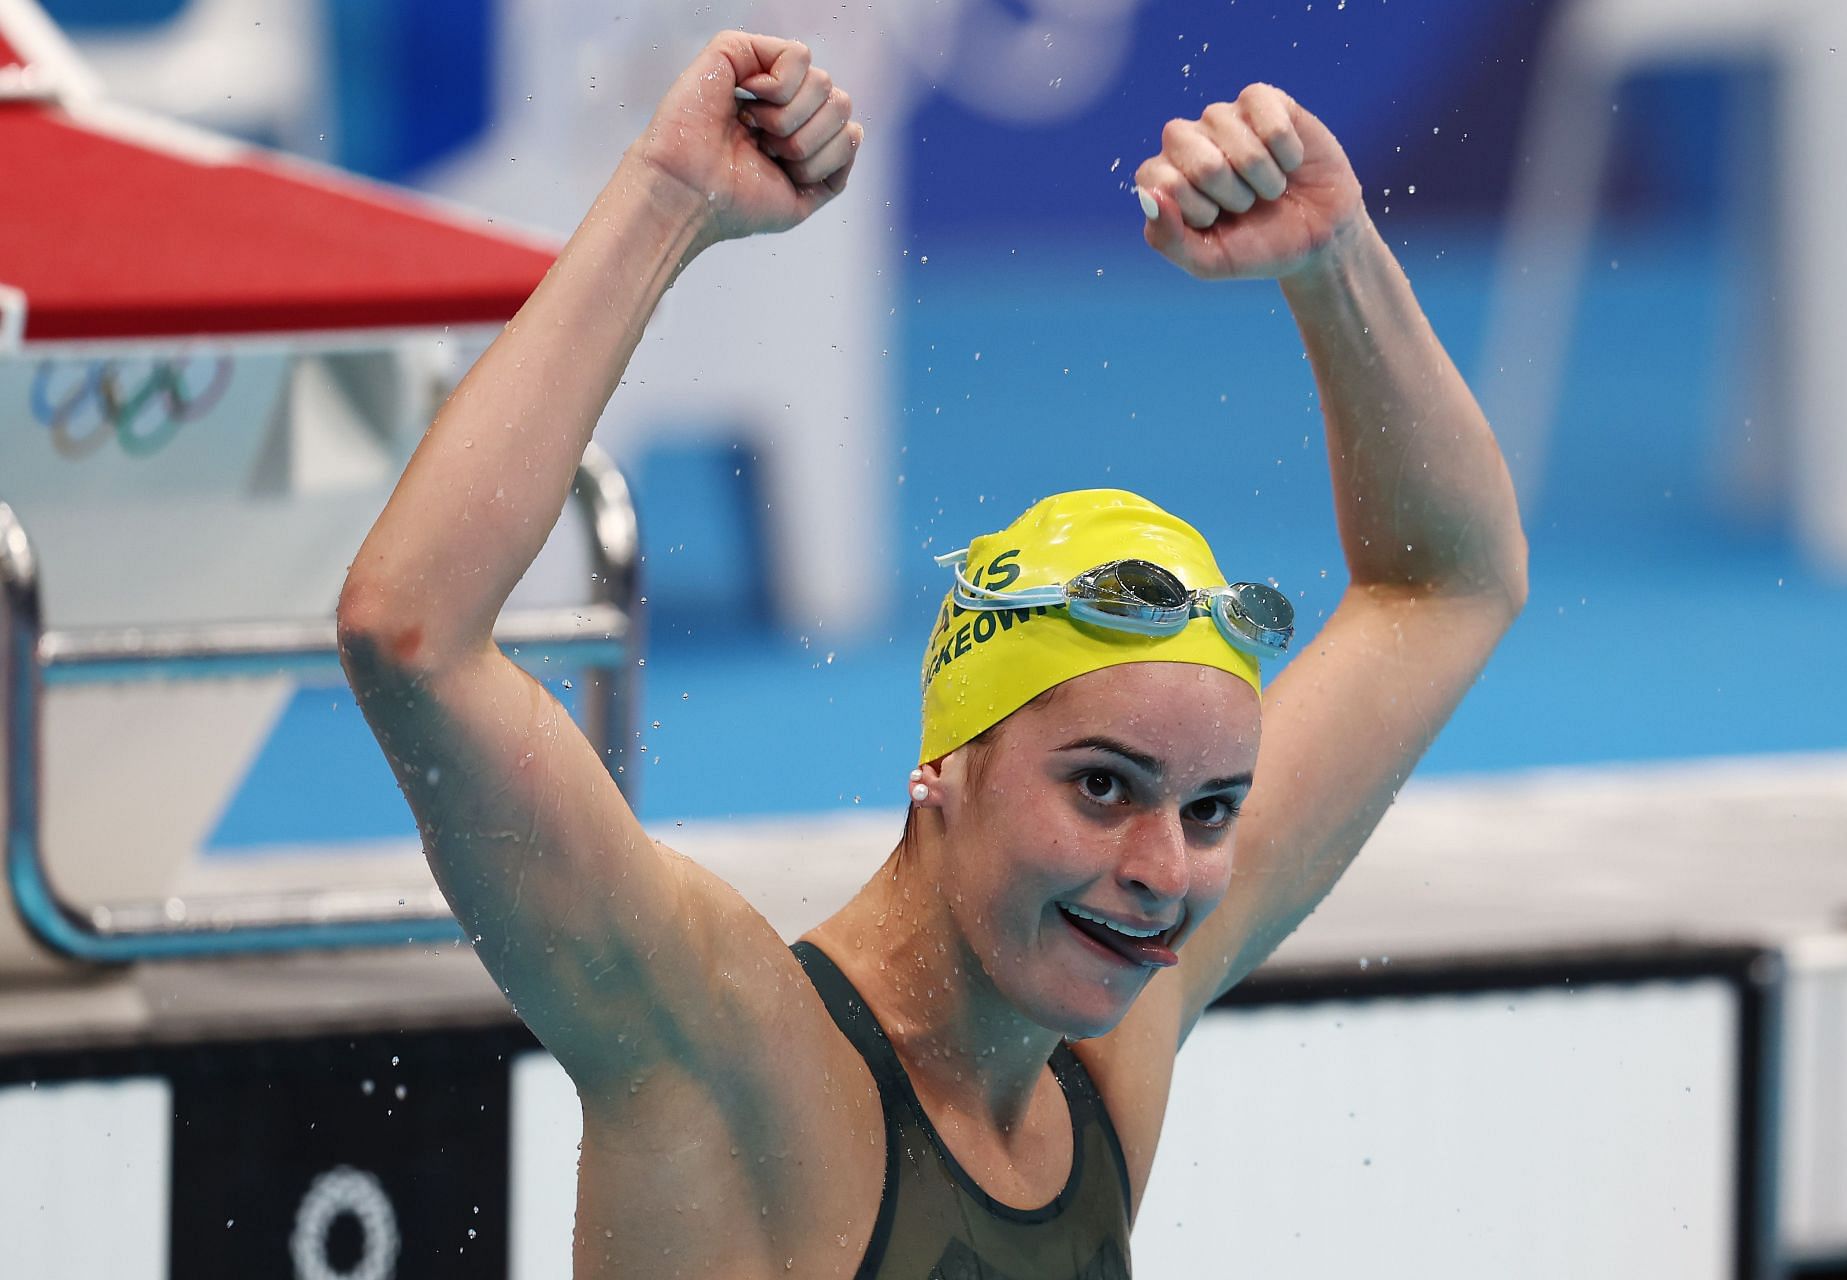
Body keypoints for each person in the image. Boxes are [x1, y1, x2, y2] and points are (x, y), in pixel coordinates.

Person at [336, 29, 1527, 1279]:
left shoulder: (1100, 1049)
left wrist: (1339, 260)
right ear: (944, 769)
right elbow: (412, 635)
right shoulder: (729, 1053)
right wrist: (666, 204)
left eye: (1215, 806)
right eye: (1103, 786)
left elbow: (1447, 585)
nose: (1163, 868)